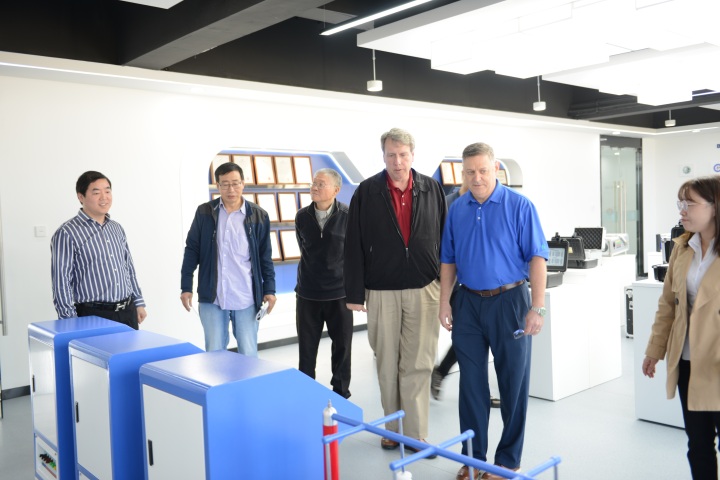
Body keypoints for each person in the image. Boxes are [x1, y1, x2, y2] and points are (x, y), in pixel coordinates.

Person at [439, 142, 547, 480]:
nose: (477, 178)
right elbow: (448, 260)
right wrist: (444, 301)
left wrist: (537, 307)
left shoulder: (520, 206)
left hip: (510, 301)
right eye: (470, 172)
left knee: (513, 383)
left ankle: (507, 462)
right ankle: (473, 459)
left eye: (483, 170)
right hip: (468, 303)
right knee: (471, 385)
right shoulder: (457, 208)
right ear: (463, 172)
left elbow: (537, 257)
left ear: (496, 168)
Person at [345, 128, 446, 455]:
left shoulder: (431, 188)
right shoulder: (367, 191)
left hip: (424, 287)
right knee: (387, 362)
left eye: (403, 155)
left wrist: (447, 289)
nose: (398, 162)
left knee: (419, 363)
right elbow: (353, 243)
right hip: (381, 289)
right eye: (391, 155)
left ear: (412, 155)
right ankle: (393, 430)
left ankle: (415, 434)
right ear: (384, 156)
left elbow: (446, 239)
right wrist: (354, 293)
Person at [642, 176, 720, 480]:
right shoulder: (683, 247)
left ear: (715, 206)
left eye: (690, 203)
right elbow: (668, 305)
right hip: (688, 360)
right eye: (680, 203)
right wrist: (655, 350)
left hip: (717, 361)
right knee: (698, 445)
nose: (682, 210)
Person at [180, 162, 276, 356]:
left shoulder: (259, 216)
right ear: (217, 185)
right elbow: (192, 250)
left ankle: (248, 379)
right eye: (225, 184)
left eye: (235, 183)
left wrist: (270, 290)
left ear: (243, 183)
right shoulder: (205, 212)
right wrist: (186, 286)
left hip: (246, 297)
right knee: (214, 353)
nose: (231, 189)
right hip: (212, 296)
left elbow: (265, 257)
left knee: (248, 354)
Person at [432, 179, 501, 409]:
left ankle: (444, 373)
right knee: (469, 340)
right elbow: (444, 250)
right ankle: (449, 376)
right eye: (471, 173)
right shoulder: (450, 205)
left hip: (482, 285)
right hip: (459, 285)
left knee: (476, 339)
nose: (477, 179)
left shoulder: (487, 203)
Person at [51, 171, 147, 329]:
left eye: (107, 191)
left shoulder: (116, 228)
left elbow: (128, 268)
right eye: (96, 193)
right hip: (93, 316)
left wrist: (138, 302)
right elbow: (61, 282)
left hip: (127, 312)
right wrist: (69, 321)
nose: (104, 197)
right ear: (81, 197)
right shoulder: (67, 233)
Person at [295, 168, 353, 398]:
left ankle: (341, 393)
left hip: (339, 294)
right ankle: (306, 393)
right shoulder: (302, 216)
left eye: (321, 184)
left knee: (342, 348)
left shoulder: (348, 216)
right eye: (314, 183)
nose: (315, 187)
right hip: (307, 294)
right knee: (306, 349)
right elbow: (304, 248)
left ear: (336, 190)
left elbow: (354, 255)